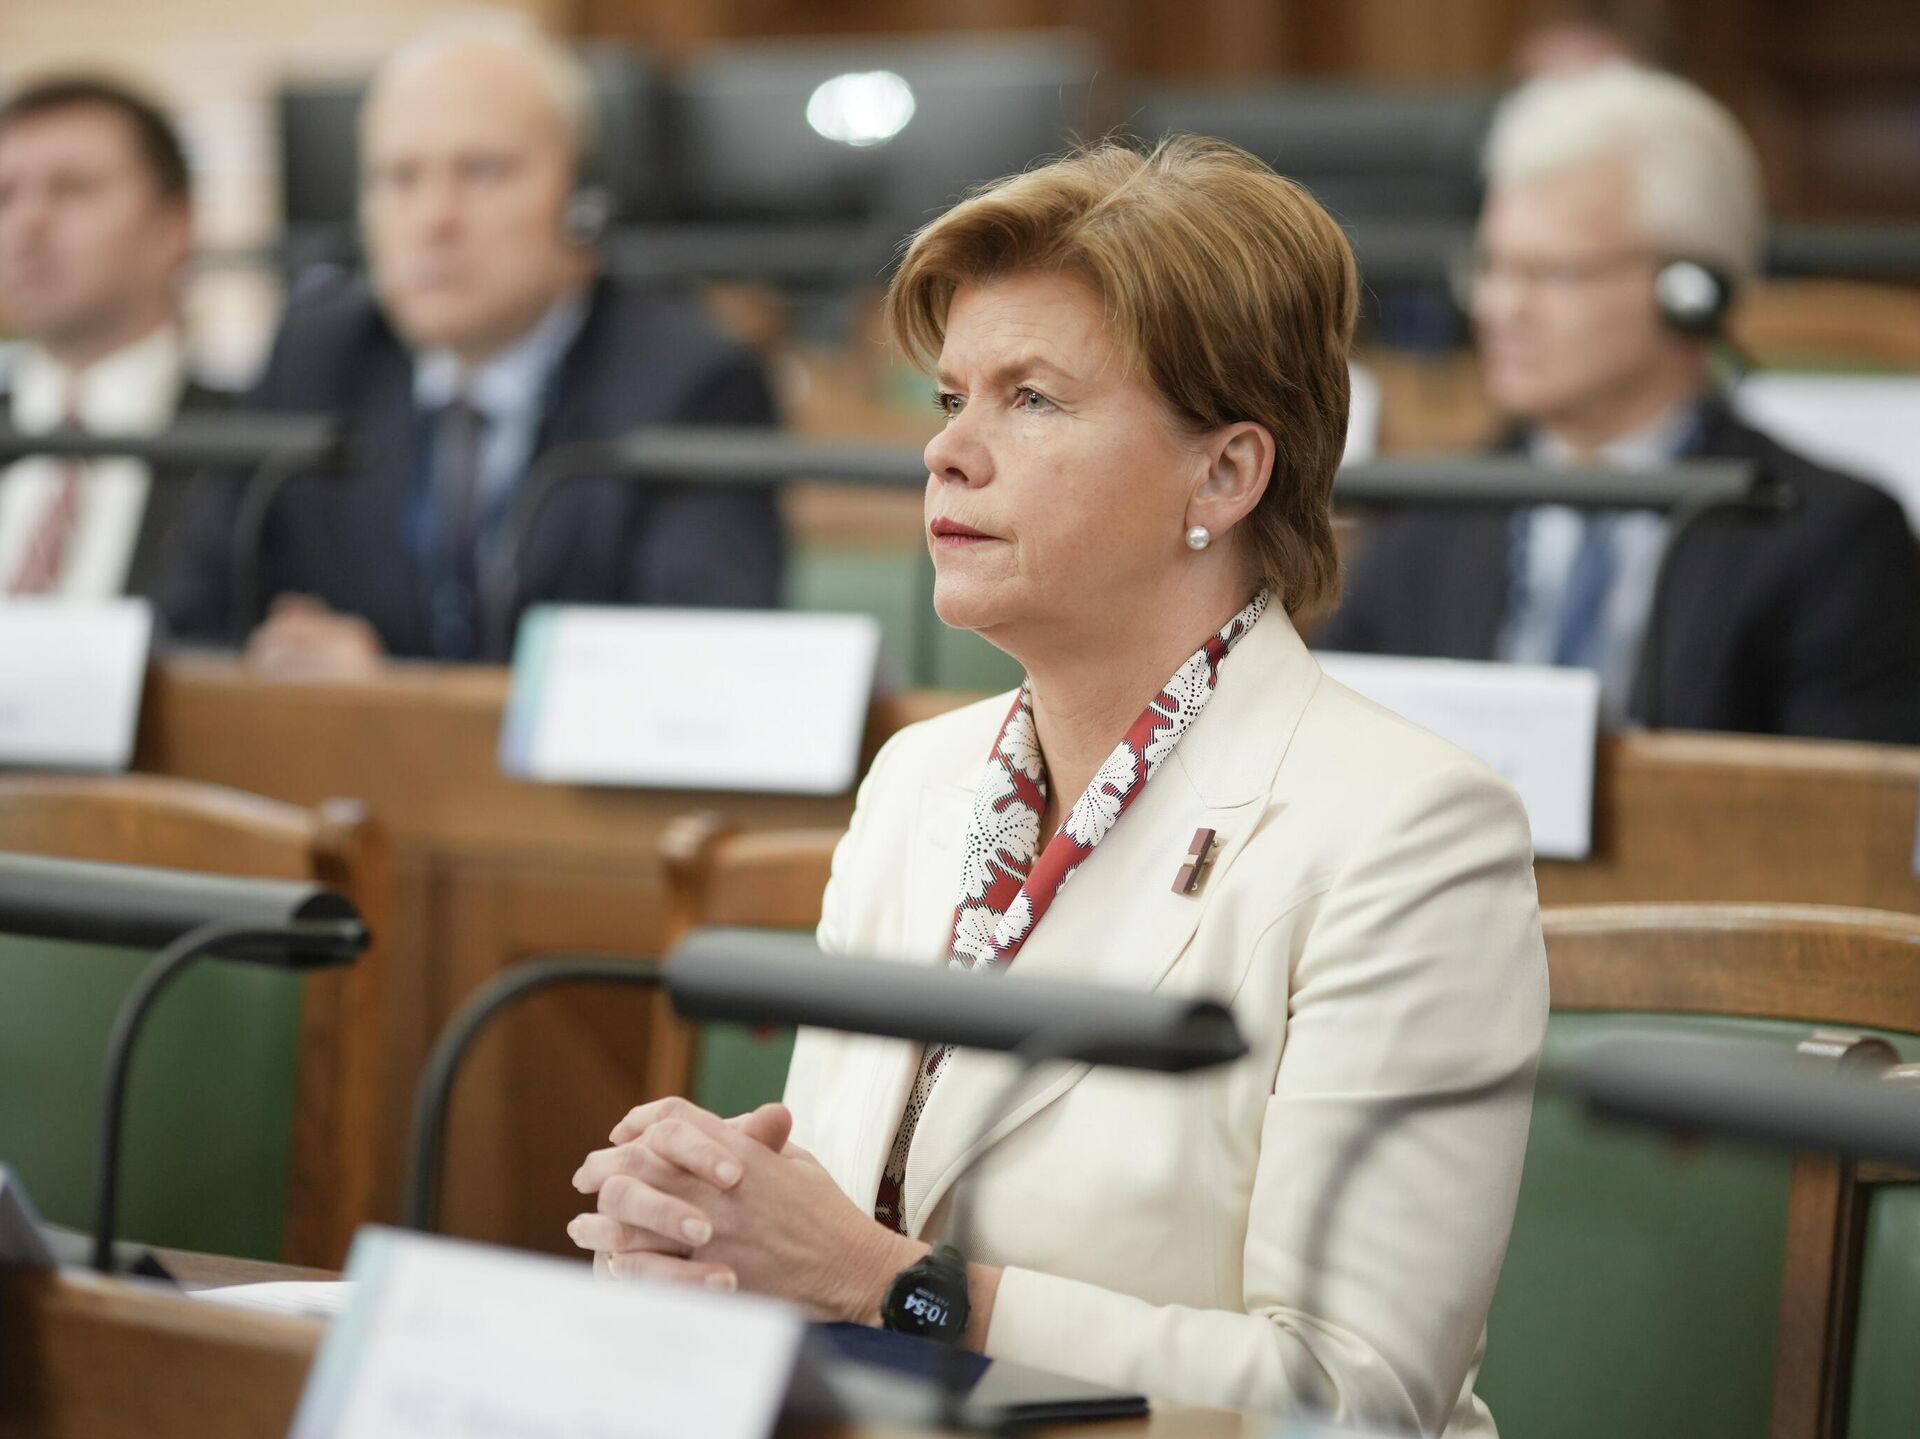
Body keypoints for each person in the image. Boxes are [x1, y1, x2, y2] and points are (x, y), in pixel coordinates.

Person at [566, 138, 1548, 1434]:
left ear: (1225, 473)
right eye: (948, 397)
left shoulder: (1412, 831)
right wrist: (709, 1232)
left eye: (1030, 399)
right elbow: (833, 1235)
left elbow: (1352, 1394)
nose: (949, 451)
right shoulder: (919, 779)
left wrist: (894, 1284)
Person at [1317, 65, 1920, 741]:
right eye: (1491, 266)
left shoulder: (1830, 537)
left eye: (1551, 272)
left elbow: (1840, 802)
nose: (1500, 306)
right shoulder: (1425, 515)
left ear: (1690, 292)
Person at [161, 16, 783, 670]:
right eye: (400, 178)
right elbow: (195, 624)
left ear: (582, 200)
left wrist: (395, 702)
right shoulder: (314, 357)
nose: (434, 219)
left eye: (483, 172)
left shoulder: (694, 380)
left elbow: (699, 678)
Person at [0, 77, 227, 600]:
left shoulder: (255, 450)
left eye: (72, 188)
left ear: (175, 224)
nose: (26, 222)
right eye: (5, 195)